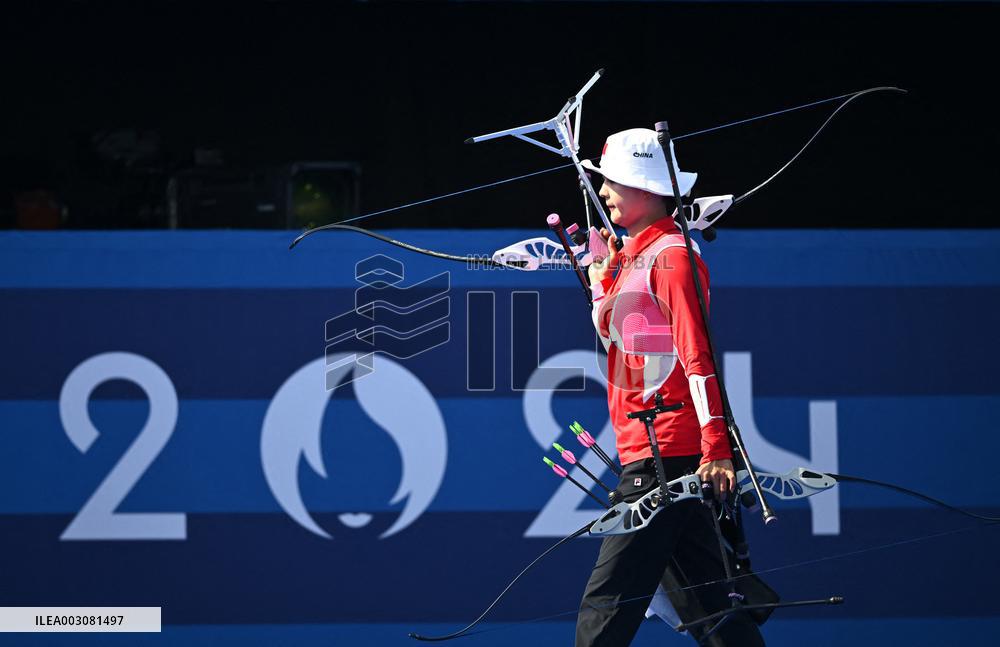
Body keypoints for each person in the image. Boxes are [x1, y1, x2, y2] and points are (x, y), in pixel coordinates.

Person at [575, 128, 765, 646]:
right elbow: (626, 338)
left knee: (604, 610)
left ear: (645, 186)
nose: (605, 192)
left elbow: (695, 353)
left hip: (666, 455)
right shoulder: (636, 255)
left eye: (613, 181)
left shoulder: (671, 255)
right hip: (657, 451)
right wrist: (600, 280)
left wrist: (717, 447)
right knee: (715, 614)